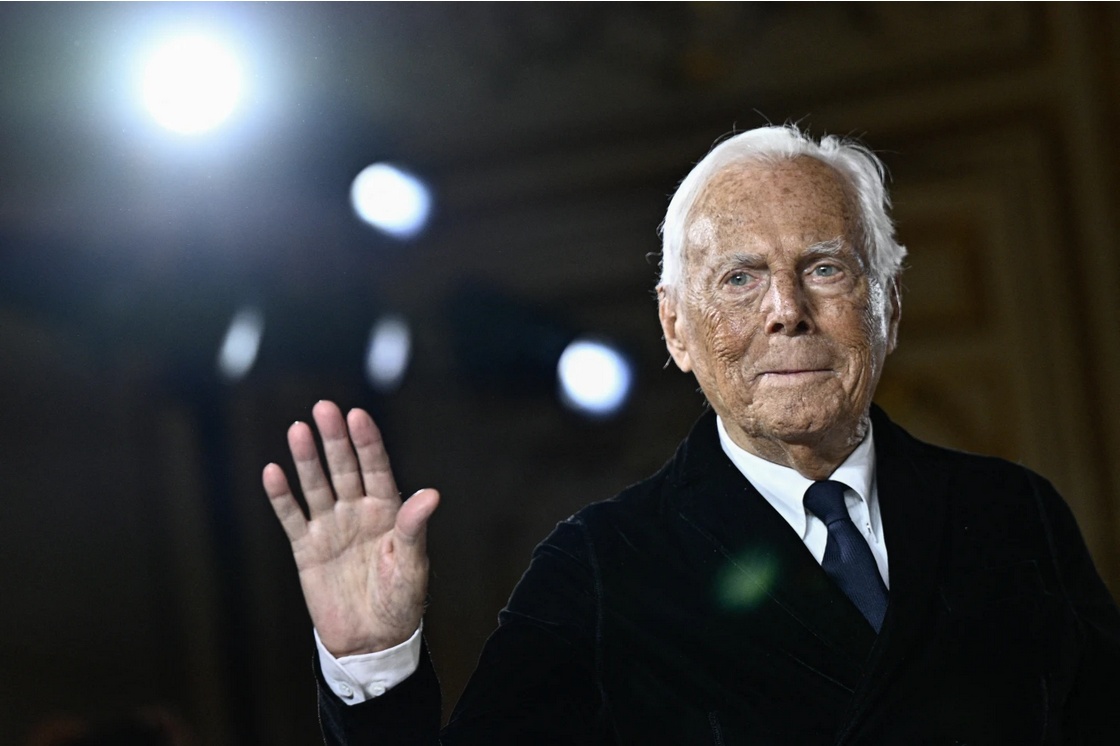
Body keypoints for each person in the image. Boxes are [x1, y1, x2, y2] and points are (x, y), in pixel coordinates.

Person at [262, 125, 1120, 744]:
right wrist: (374, 666)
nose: (787, 310)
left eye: (824, 268)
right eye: (741, 278)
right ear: (675, 328)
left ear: (886, 305)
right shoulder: (602, 568)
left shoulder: (1015, 516)